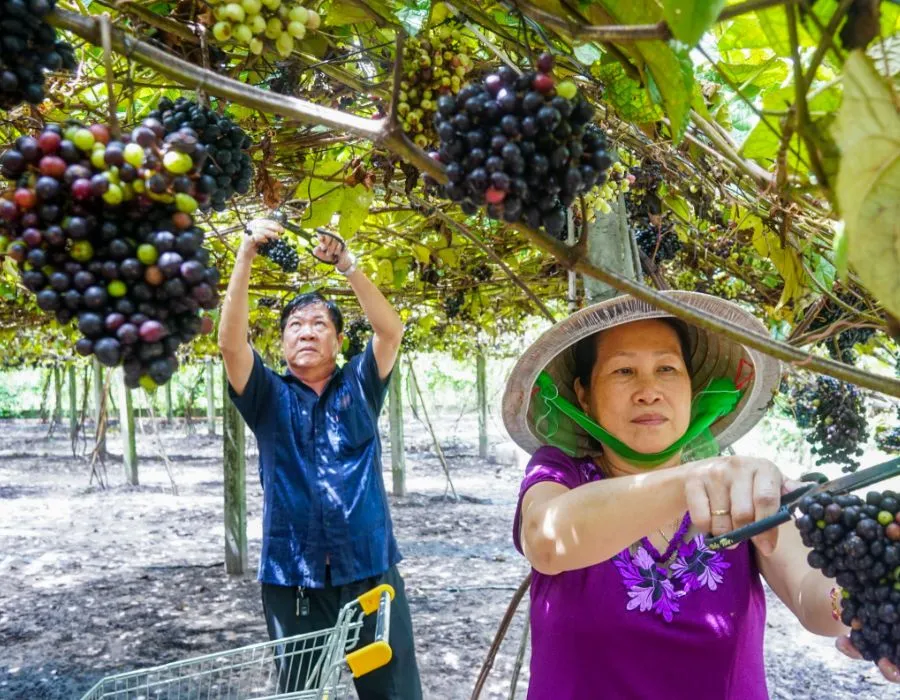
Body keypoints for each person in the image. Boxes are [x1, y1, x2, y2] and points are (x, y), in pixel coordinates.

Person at [501, 291, 900, 699]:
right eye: (623, 371)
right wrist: (699, 478)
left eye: (667, 369)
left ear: (693, 389)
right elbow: (548, 540)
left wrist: (864, 595)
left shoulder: (739, 493)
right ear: (584, 394)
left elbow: (813, 597)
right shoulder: (560, 473)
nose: (649, 391)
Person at [218, 218, 422, 699]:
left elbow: (390, 331)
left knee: (393, 693)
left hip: (370, 571)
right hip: (294, 581)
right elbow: (230, 344)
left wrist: (347, 266)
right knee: (305, 694)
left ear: (337, 342)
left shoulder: (360, 384)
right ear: (282, 343)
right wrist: (245, 254)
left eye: (319, 325)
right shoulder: (267, 397)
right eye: (294, 325)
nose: (306, 333)